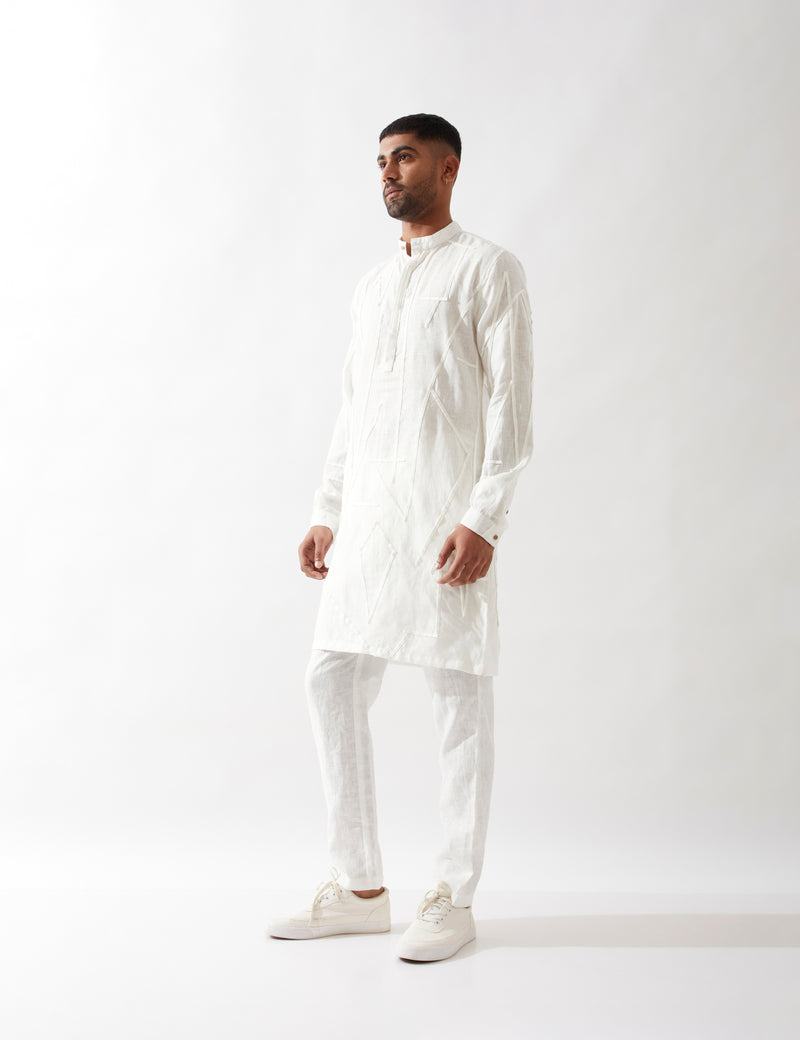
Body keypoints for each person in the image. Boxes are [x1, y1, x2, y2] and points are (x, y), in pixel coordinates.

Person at [267, 113, 533, 962]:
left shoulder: (488, 269)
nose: (388, 172)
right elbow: (356, 407)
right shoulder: (374, 286)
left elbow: (511, 407)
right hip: (370, 523)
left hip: (446, 522)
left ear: (448, 169)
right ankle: (360, 889)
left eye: (405, 158)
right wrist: (327, 508)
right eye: (381, 160)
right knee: (331, 677)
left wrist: (484, 517)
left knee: (458, 695)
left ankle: (452, 895)